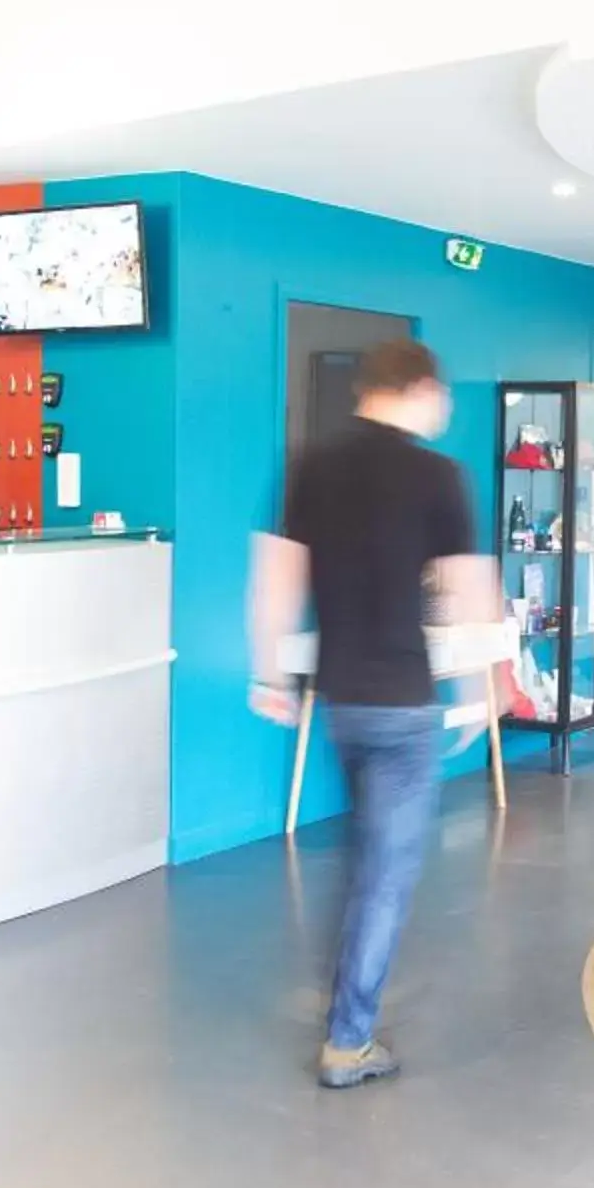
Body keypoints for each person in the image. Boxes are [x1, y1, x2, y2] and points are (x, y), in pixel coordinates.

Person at [250, 339, 503, 1088]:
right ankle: (348, 1040)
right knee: (385, 875)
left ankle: (345, 1006)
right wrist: (484, 688)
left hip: (340, 703)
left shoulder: (310, 467)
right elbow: (467, 591)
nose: (445, 409)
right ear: (419, 388)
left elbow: (275, 577)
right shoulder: (438, 476)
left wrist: (270, 676)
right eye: (442, 395)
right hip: (402, 707)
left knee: (368, 860)